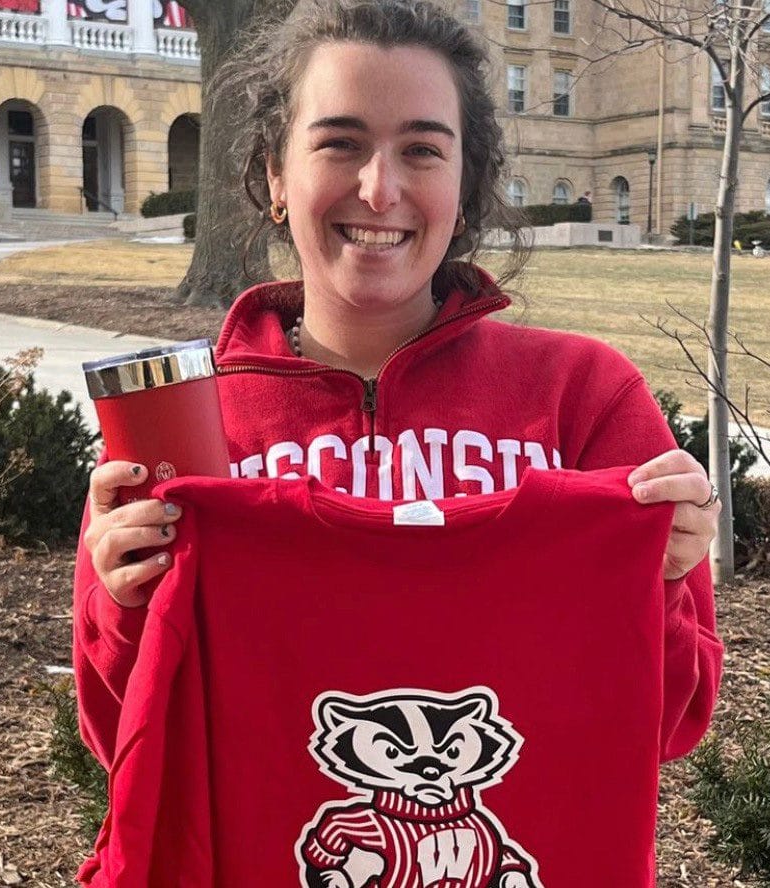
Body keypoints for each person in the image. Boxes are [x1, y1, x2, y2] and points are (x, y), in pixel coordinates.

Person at [74, 0, 722, 780]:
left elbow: (673, 720)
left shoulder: (585, 395)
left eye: (421, 150)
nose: (380, 190)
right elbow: (127, 746)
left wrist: (662, 583)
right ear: (276, 174)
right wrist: (123, 609)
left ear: (465, 181)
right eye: (340, 144)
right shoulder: (186, 429)